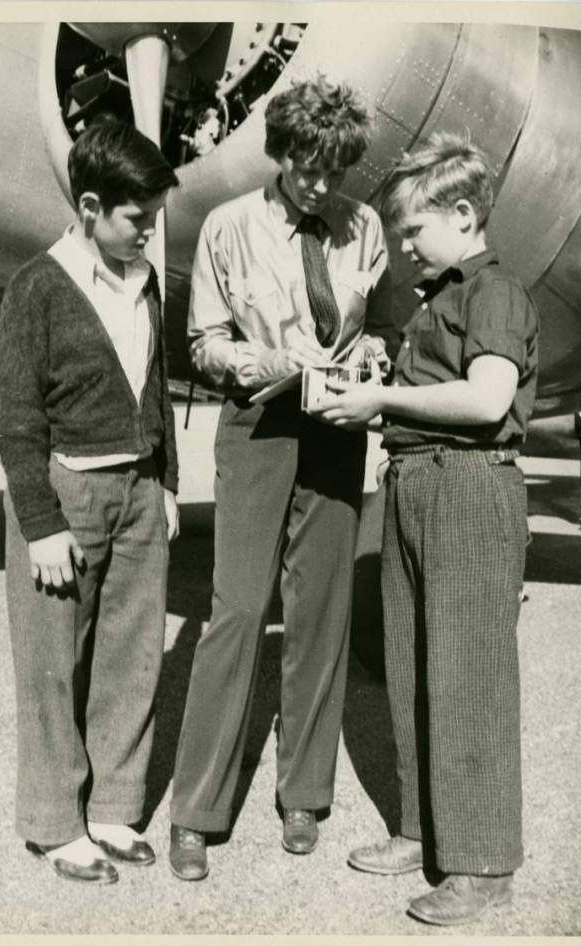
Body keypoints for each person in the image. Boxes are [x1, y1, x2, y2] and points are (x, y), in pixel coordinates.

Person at [168, 76, 398, 881]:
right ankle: (196, 811)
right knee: (236, 611)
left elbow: (384, 327)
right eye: (308, 167)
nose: (321, 185)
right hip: (258, 425)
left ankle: (305, 794)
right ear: (281, 152)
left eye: (336, 170)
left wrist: (369, 359)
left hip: (336, 428)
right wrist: (263, 359)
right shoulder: (228, 227)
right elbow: (203, 343)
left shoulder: (365, 226)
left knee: (322, 616)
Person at [313, 132, 539, 926]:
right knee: (411, 669)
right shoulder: (435, 298)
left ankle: (481, 864)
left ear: (464, 214)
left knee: (468, 677)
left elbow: (486, 399)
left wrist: (382, 401)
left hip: (468, 485)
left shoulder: (494, 291)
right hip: (414, 479)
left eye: (414, 229)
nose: (404, 246)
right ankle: (421, 829)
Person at [0, 117, 180, 884]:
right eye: (139, 218)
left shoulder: (145, 277)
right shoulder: (36, 286)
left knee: (133, 657)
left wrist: (165, 483)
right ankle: (55, 823)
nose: (150, 231)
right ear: (92, 207)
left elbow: (155, 389)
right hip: (66, 492)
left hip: (140, 490)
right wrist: (40, 525)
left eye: (156, 216)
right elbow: (14, 417)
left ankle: (113, 808)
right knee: (52, 664)